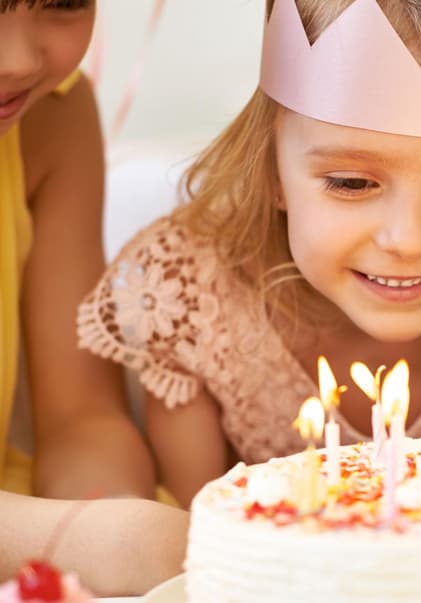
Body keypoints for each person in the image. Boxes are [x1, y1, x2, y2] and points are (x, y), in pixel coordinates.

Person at [79, 0, 421, 509]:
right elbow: (201, 530)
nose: (408, 240)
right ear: (271, 172)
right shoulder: (195, 302)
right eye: (351, 183)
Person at [0, 0, 186, 593]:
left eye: (62, 3)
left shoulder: (51, 118)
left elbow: (79, 417)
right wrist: (98, 538)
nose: (18, 59)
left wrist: (113, 506)